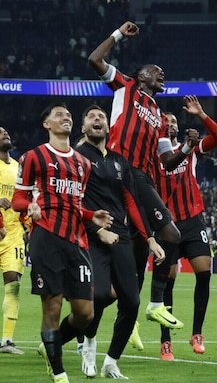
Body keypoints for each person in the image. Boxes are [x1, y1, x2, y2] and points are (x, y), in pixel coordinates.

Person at [88, 20, 197, 330]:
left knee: (159, 240)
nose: (161, 73)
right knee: (150, 241)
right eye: (155, 70)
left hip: (143, 178)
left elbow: (167, 161)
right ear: (141, 76)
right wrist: (119, 34)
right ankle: (145, 306)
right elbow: (94, 60)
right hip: (119, 169)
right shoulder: (125, 85)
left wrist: (188, 148)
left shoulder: (161, 118)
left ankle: (148, 306)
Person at [12, 103, 114, 383]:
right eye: (58, 115)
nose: (65, 117)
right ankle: (59, 373)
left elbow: (73, 205)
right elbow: (19, 198)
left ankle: (51, 345)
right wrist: (29, 208)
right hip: (46, 237)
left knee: (85, 313)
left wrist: (92, 216)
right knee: (53, 307)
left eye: (68, 115)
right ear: (46, 124)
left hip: (78, 241)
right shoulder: (33, 157)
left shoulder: (83, 164)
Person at [75, 105, 165, 378]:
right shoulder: (77, 157)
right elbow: (72, 199)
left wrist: (149, 237)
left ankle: (111, 361)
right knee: (100, 295)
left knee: (132, 302)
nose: (97, 119)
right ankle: (88, 345)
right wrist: (94, 226)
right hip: (91, 235)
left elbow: (130, 201)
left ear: (108, 127)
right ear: (83, 129)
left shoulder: (119, 161)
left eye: (101, 116)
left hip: (122, 237)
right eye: (91, 117)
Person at [153, 98, 217, 361]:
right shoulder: (153, 154)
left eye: (174, 121)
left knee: (204, 273)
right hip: (166, 224)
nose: (170, 124)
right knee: (167, 282)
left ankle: (197, 333)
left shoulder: (192, 149)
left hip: (193, 221)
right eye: (166, 121)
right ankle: (165, 341)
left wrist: (202, 114)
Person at [0, 128, 25, 355]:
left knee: (13, 284)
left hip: (13, 234)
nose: (5, 133)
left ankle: (7, 341)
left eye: (6, 132)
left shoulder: (18, 167)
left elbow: (24, 198)